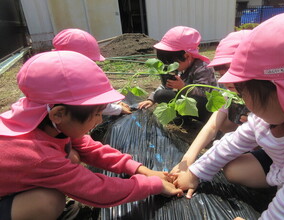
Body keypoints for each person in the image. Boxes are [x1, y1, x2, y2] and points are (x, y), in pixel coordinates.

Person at [173, 12, 284, 219]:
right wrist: (195, 173)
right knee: (235, 170)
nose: (240, 98)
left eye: (243, 90)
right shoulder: (265, 119)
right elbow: (232, 143)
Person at [0, 51, 182, 220]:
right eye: (96, 114)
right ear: (59, 114)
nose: (99, 119)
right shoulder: (37, 155)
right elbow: (97, 190)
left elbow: (89, 147)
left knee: (71, 156)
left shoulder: (40, 118)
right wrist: (152, 185)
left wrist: (141, 170)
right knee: (48, 202)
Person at [170, 30, 252, 174]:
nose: (224, 80)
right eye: (221, 73)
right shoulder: (229, 94)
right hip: (244, 138)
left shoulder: (268, 100)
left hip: (270, 150)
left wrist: (199, 170)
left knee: (234, 170)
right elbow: (211, 126)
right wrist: (187, 159)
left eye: (231, 71)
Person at [138, 26, 218, 122]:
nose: (170, 66)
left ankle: (195, 119)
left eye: (172, 63)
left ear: (187, 56)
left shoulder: (203, 68)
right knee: (161, 95)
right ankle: (183, 118)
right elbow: (166, 85)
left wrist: (183, 86)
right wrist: (151, 99)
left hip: (207, 107)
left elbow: (204, 93)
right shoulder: (178, 66)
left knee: (193, 100)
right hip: (188, 103)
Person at [53, 28, 132, 116]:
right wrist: (118, 109)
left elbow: (99, 88)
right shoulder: (64, 76)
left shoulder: (77, 70)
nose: (92, 64)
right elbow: (89, 104)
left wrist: (116, 101)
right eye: (90, 61)